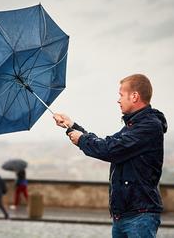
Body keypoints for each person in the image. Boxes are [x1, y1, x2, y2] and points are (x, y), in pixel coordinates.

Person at [53, 74, 167, 238]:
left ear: (134, 96)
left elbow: (110, 150)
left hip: (140, 215)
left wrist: (81, 139)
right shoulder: (132, 126)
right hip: (123, 214)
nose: (118, 100)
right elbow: (106, 143)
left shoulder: (148, 126)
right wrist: (71, 126)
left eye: (121, 94)